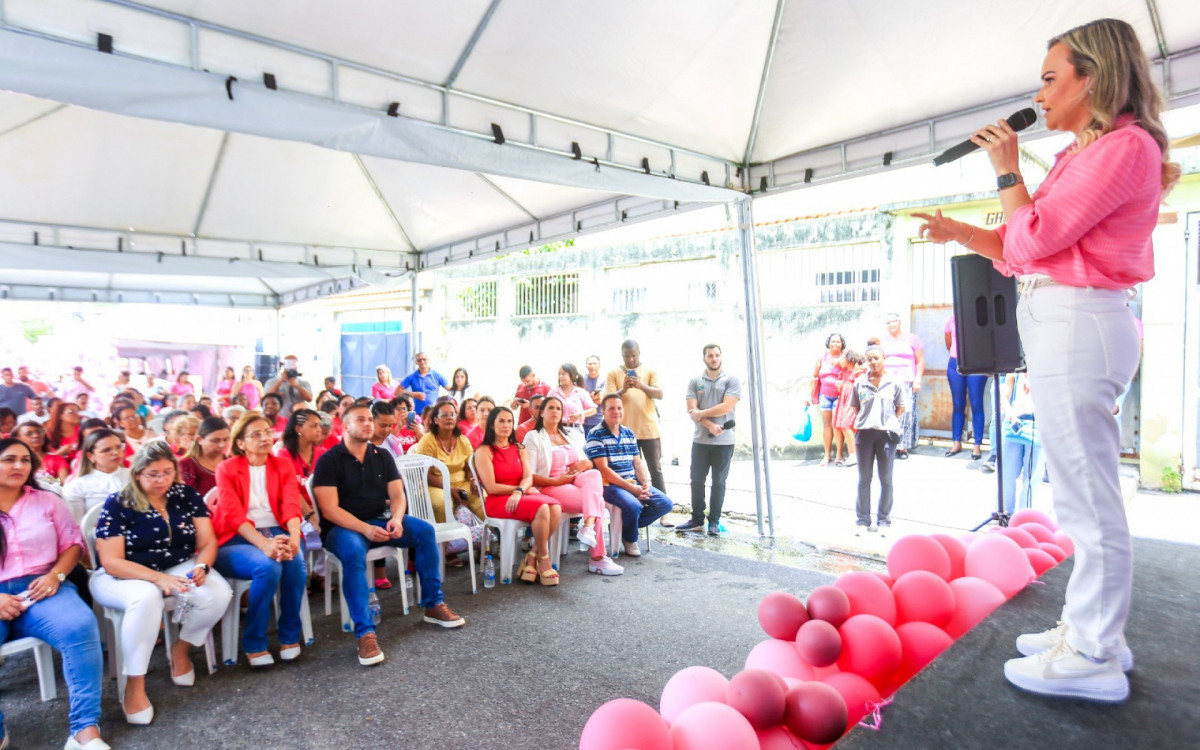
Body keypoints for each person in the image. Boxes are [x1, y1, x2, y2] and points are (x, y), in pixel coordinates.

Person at [914, 19, 1178, 702]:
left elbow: (1034, 239)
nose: (1040, 92)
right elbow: (1016, 241)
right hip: (1065, 320)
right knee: (1079, 493)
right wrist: (957, 231)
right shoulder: (1081, 156)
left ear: (1093, 77)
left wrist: (1006, 168)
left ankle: (1091, 654)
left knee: (1087, 498)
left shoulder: (1125, 148)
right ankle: (1094, 635)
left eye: (1051, 78)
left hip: (1081, 321)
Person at [90, 441, 233, 724]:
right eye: (153, 474)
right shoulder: (119, 502)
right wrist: (160, 579)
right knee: (146, 598)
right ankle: (135, 685)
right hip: (123, 574)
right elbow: (111, 561)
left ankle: (180, 649)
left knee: (218, 593)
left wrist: (202, 565)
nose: (161, 480)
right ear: (137, 474)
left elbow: (207, 542)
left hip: (176, 563)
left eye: (167, 472)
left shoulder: (185, 494)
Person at [311, 404, 465, 666]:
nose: (368, 423)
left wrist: (395, 518)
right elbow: (329, 509)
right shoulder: (329, 460)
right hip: (344, 527)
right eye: (361, 419)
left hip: (380, 519)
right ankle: (365, 632)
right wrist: (365, 528)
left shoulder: (382, 455)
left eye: (370, 419)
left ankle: (433, 603)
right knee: (353, 554)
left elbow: (397, 495)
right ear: (345, 425)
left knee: (424, 531)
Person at [0, 437, 109, 750]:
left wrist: (56, 574)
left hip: (43, 587)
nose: (19, 466)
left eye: (24, 459)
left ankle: (84, 730)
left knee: (80, 626)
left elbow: (73, 544)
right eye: (9, 459)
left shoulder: (47, 500)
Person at [212, 412, 306, 666]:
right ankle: (254, 641)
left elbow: (290, 505)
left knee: (295, 564)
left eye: (267, 432)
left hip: (278, 531)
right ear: (240, 442)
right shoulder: (226, 468)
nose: (265, 437)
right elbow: (233, 515)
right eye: (256, 434)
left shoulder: (282, 465)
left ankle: (289, 635)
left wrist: (294, 537)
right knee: (268, 566)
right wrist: (264, 545)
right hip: (235, 539)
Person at [523, 396, 622, 575]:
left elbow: (588, 462)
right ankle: (597, 557)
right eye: (551, 408)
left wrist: (587, 464)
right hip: (550, 484)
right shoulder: (533, 436)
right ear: (542, 412)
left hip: (576, 479)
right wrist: (557, 481)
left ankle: (589, 528)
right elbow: (529, 475)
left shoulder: (570, 434)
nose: (555, 411)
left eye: (558, 409)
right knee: (597, 502)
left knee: (594, 473)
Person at [475, 406, 562, 585]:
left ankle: (532, 557)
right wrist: (516, 490)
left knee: (556, 507)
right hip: (496, 501)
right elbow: (491, 487)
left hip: (519, 495)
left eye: (510, 421)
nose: (506, 425)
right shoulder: (484, 450)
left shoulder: (519, 448)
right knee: (543, 508)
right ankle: (544, 559)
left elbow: (528, 477)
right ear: (492, 424)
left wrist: (519, 491)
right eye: (501, 421)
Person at [584, 394, 675, 556]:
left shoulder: (628, 433)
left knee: (665, 503)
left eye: (619, 408)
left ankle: (623, 525)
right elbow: (604, 470)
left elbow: (638, 464)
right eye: (611, 408)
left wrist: (645, 484)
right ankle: (629, 538)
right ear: (603, 411)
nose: (616, 412)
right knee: (633, 505)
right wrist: (633, 489)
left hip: (632, 482)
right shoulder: (595, 434)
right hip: (608, 486)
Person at [678, 344, 741, 536]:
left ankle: (714, 521)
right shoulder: (695, 380)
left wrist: (701, 414)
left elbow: (726, 407)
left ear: (721, 357)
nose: (714, 358)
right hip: (701, 441)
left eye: (717, 355)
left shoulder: (731, 379)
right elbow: (691, 410)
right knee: (696, 480)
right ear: (704, 358)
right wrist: (709, 425)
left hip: (724, 442)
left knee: (719, 482)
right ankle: (697, 519)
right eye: (710, 356)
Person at [848, 346, 908, 537]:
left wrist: (887, 421)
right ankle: (863, 520)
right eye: (869, 359)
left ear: (884, 358)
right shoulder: (860, 383)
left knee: (886, 479)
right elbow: (856, 407)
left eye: (876, 358)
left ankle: (884, 520)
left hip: (886, 436)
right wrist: (868, 420)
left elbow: (900, 407)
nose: (873, 362)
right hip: (864, 434)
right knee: (864, 479)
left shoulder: (894, 382)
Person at [604, 339, 668, 497]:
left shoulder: (650, 371)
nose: (631, 359)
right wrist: (623, 389)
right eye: (627, 356)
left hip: (648, 429)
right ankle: (636, 505)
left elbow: (660, 394)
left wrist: (641, 386)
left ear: (639, 353)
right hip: (624, 432)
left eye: (633, 355)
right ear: (622, 355)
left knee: (655, 468)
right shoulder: (613, 373)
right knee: (627, 470)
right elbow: (607, 399)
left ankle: (663, 507)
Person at [412, 400, 486, 525]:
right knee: (443, 502)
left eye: (452, 414)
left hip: (462, 483)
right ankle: (444, 542)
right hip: (434, 486)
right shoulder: (427, 441)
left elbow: (469, 468)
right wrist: (450, 489)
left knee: (482, 497)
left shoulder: (463, 440)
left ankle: (487, 540)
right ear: (436, 420)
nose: (449, 418)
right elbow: (426, 475)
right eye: (444, 415)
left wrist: (473, 479)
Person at [998, 373, 1045, 516]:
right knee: (1006, 471)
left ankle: (1026, 514)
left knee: (1033, 475)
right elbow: (1004, 399)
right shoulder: (1014, 372)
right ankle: (1004, 511)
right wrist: (1010, 413)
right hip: (1014, 424)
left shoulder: (1047, 373)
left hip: (1038, 425)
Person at [879, 313, 924, 459]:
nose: (891, 325)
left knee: (906, 413)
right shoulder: (883, 341)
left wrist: (917, 378)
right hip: (888, 381)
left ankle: (903, 447)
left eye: (894, 321)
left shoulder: (912, 339)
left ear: (900, 322)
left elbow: (920, 360)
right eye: (888, 322)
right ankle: (890, 445)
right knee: (889, 412)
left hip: (907, 381)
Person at [944, 315, 988, 460]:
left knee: (976, 403)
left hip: (977, 362)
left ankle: (977, 445)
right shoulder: (951, 320)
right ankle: (956, 442)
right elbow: (949, 343)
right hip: (955, 362)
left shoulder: (981, 318)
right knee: (958, 404)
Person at [63, 429, 130, 522]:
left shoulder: (137, 477)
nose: (115, 452)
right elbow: (77, 525)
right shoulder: (77, 486)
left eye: (118, 447)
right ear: (91, 456)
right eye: (106, 450)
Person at [811, 333, 846, 466]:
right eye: (833, 341)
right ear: (828, 343)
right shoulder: (822, 357)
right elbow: (814, 376)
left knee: (837, 425)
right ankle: (826, 455)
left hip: (839, 396)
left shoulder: (845, 357)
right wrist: (810, 395)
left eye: (838, 342)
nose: (835, 344)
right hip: (824, 395)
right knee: (827, 424)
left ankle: (839, 455)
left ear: (842, 343)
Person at [178, 417, 230, 498]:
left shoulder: (231, 461)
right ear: (200, 440)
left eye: (225, 440)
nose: (222, 445)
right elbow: (187, 498)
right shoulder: (187, 464)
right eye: (215, 440)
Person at [832, 350, 866, 467]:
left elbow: (863, 387)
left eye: (843, 357)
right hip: (844, 400)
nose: (840, 359)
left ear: (850, 360)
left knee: (846, 425)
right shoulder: (844, 372)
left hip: (852, 401)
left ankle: (854, 455)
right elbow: (842, 390)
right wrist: (840, 387)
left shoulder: (858, 372)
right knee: (841, 425)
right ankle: (851, 454)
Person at [547, 363, 597, 431]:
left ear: (572, 375)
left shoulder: (581, 392)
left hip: (575, 430)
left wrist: (581, 414)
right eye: (560, 374)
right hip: (556, 429)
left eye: (564, 374)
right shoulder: (553, 393)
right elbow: (546, 409)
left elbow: (593, 409)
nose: (561, 376)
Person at [582, 355, 604, 433]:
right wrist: (592, 398)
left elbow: (601, 400)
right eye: (590, 364)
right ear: (586, 365)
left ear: (599, 365)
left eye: (595, 364)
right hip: (583, 421)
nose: (592, 366)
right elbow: (579, 400)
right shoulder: (582, 380)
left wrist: (587, 398)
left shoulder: (604, 380)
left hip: (598, 421)